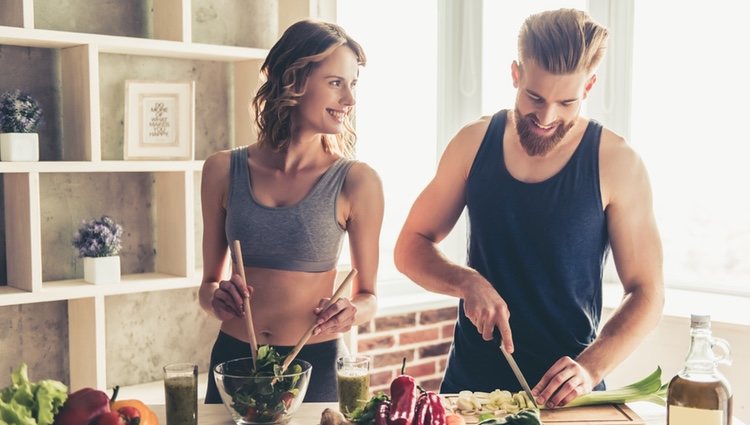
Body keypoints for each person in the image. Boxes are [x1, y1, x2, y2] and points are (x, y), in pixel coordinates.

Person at [394, 8, 664, 409]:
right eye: (534, 97)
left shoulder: (617, 162)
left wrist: (590, 368)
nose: (546, 117)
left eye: (566, 102)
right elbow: (409, 247)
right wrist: (466, 281)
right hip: (469, 392)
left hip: (565, 398)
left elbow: (648, 293)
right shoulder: (472, 143)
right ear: (516, 74)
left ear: (588, 87)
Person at [199, 19, 384, 403]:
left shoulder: (357, 182)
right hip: (234, 361)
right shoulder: (221, 170)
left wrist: (351, 312)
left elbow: (368, 295)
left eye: (353, 85)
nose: (349, 100)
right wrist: (216, 297)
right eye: (336, 83)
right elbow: (208, 287)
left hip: (314, 366)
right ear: (294, 81)